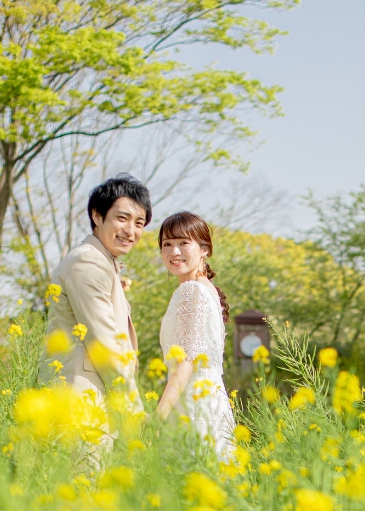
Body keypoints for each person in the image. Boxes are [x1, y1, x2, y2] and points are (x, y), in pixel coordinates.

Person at [39, 174, 151, 436]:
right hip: (80, 404)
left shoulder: (102, 261)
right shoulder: (88, 262)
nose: (131, 231)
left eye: (139, 223)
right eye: (122, 218)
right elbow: (106, 343)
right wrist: (135, 412)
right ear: (97, 216)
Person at [155, 211, 234, 459]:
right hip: (211, 406)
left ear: (204, 250)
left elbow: (185, 363)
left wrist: (157, 419)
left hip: (193, 410)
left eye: (183, 243)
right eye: (167, 244)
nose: (174, 252)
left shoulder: (191, 291)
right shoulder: (205, 289)